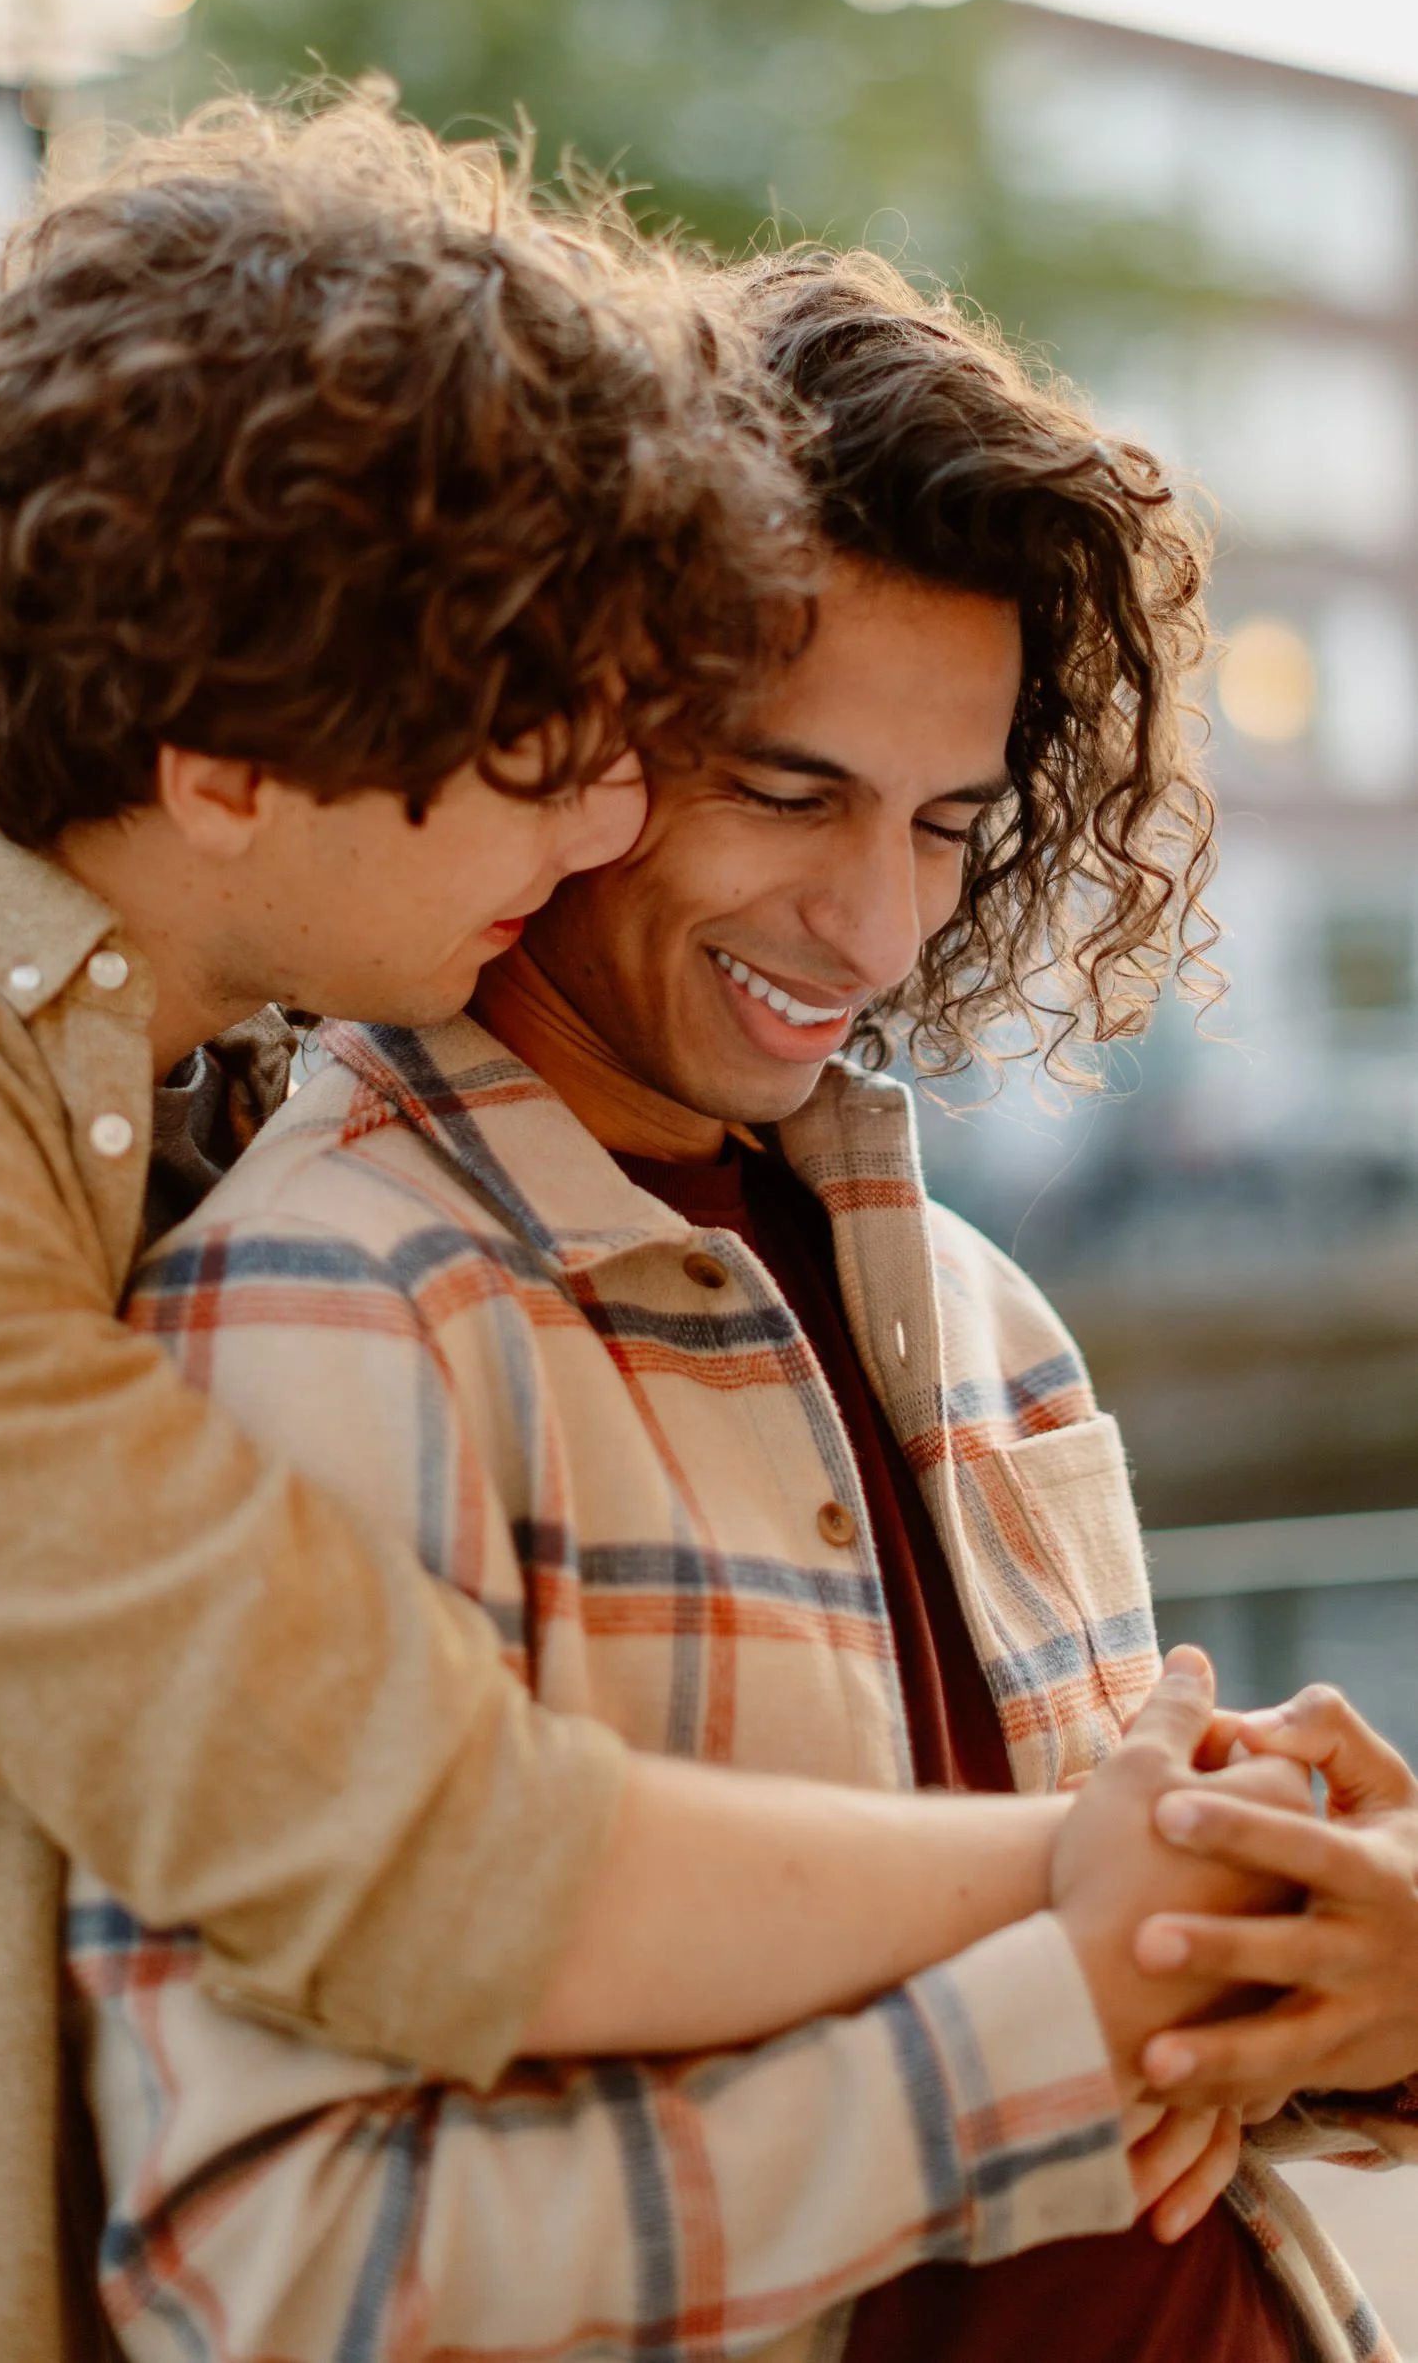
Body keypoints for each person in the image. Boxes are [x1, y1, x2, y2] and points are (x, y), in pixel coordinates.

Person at [72, 249, 1417, 2362]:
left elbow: (1152, 2012)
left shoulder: (980, 1313)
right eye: (786, 792)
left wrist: (1361, 1982)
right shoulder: (336, 1312)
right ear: (558, 737)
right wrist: (1041, 2030)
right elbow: (280, 2276)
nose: (873, 921)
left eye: (946, 824)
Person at [0, 103, 947, 2363]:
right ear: (221, 763)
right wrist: (1091, 1891)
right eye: (537, 751)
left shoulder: (157, 1091)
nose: (610, 818)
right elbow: (432, 1843)